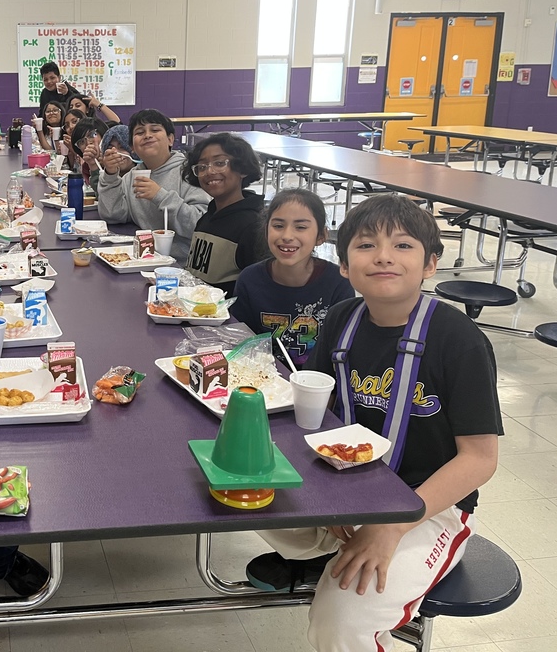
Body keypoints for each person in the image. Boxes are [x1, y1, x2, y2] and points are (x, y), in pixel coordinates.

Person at [245, 194, 501, 652]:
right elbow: (324, 419)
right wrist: (335, 503)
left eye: (402, 246)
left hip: (427, 507)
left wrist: (390, 526)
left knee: (340, 623)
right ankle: (326, 550)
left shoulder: (458, 339)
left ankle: (352, 562)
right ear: (344, 265)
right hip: (352, 488)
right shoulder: (342, 320)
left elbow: (480, 459)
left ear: (431, 264)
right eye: (366, 246)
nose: (383, 256)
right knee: (239, 495)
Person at [230, 188, 355, 368]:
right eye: (278, 226)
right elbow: (240, 343)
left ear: (321, 236)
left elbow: (342, 352)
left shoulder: (338, 283)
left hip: (317, 386)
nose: (287, 236)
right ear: (266, 230)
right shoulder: (250, 279)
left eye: (301, 227)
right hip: (264, 380)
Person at [97, 109, 211, 263]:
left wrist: (160, 196)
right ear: (132, 147)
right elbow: (114, 215)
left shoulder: (189, 173)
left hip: (183, 266)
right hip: (144, 260)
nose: (147, 135)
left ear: (170, 139)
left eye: (155, 130)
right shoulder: (132, 176)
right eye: (140, 132)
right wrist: (110, 176)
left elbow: (200, 227)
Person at [182, 133, 268, 295]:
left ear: (242, 169)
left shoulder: (253, 226)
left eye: (219, 163)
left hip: (226, 317)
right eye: (202, 166)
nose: (209, 171)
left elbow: (259, 290)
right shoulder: (207, 218)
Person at [71, 116, 109, 186]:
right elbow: (99, 193)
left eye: (91, 135)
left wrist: (108, 169)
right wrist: (93, 166)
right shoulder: (86, 167)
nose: (88, 143)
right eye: (82, 142)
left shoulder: (116, 157)